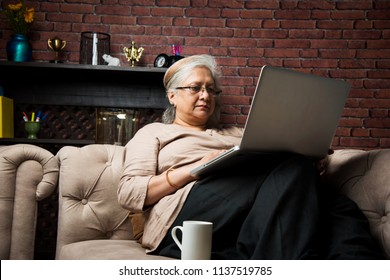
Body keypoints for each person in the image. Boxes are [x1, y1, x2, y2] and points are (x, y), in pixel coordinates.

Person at [117, 54, 384, 259]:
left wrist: (309, 155)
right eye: (195, 88)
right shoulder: (155, 132)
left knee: (334, 203)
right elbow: (129, 192)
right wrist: (195, 168)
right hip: (188, 213)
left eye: (211, 89)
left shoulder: (238, 133)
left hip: (250, 207)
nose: (205, 95)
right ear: (172, 96)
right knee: (292, 171)